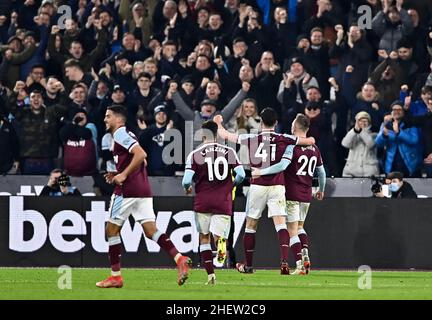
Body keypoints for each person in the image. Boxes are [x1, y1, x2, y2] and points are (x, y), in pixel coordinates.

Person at [96, 105, 191, 288]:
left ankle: (115, 276)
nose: (105, 120)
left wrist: (122, 176)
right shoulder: (129, 135)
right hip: (143, 190)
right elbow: (142, 161)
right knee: (151, 231)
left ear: (118, 119)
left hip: (126, 191)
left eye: (108, 116)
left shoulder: (119, 134)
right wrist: (118, 171)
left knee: (111, 230)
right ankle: (180, 258)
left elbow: (141, 154)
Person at [214, 108, 315, 275]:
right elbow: (309, 141)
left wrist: (218, 122)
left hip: (257, 186)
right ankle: (284, 261)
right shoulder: (285, 138)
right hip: (277, 187)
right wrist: (309, 139)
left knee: (251, 225)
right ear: (276, 123)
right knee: (281, 225)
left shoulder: (252, 138)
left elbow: (225, 135)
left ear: (261, 122)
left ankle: (249, 265)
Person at [252, 113, 326, 275]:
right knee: (300, 227)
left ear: (294, 127)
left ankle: (300, 264)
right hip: (307, 194)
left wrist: (261, 172)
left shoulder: (292, 146)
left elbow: (283, 165)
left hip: (292, 193)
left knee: (292, 230)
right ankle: (305, 252)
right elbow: (321, 172)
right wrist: (320, 189)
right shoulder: (315, 148)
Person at [182, 120, 245, 285]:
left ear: (203, 135)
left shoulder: (195, 154)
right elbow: (241, 175)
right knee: (219, 236)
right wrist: (232, 184)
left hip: (203, 201)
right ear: (216, 134)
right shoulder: (229, 151)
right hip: (223, 201)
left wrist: (187, 188)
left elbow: (186, 180)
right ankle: (221, 244)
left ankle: (211, 276)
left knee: (204, 238)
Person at [341, 111, 379, 177]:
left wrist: (361, 131)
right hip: (351, 171)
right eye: (360, 121)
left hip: (369, 172)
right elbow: (345, 144)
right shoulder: (352, 134)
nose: (363, 123)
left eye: (365, 121)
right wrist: (354, 131)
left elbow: (371, 144)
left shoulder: (374, 134)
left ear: (369, 122)